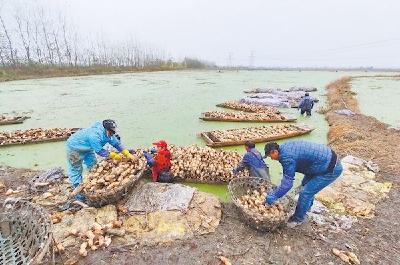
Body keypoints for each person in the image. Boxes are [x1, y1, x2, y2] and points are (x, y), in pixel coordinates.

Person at [264, 140, 343, 228]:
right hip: (319, 163)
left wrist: (274, 196)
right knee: (305, 184)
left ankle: (298, 219)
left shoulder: (286, 158)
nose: (271, 159)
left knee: (305, 193)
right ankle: (306, 208)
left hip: (330, 169)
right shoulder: (284, 147)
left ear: (274, 151)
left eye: (270, 156)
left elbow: (287, 184)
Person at [66, 119, 135, 200]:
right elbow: (100, 151)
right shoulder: (95, 136)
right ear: (106, 129)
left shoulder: (109, 133)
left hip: (88, 147)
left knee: (93, 165)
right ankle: (79, 195)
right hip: (74, 147)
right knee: (76, 169)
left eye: (113, 132)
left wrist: (127, 154)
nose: (112, 134)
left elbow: (117, 144)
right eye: (111, 132)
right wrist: (115, 156)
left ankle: (91, 184)